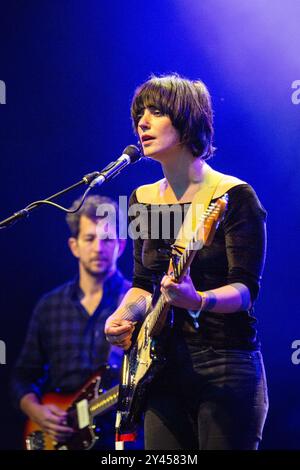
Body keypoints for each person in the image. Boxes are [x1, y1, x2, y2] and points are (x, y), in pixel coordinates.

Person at [104, 74, 269, 450]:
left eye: (156, 112)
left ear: (187, 120)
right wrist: (124, 316)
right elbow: (143, 284)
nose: (142, 122)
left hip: (224, 364)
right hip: (159, 367)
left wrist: (199, 301)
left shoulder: (233, 196)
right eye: (139, 114)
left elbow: (246, 290)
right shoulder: (141, 199)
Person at [11, 195, 131, 449]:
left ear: (121, 245)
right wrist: (35, 410)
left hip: (120, 440)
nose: (99, 247)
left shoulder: (135, 304)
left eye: (107, 239)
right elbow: (23, 374)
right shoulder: (49, 306)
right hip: (58, 437)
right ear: (74, 246)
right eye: (89, 238)